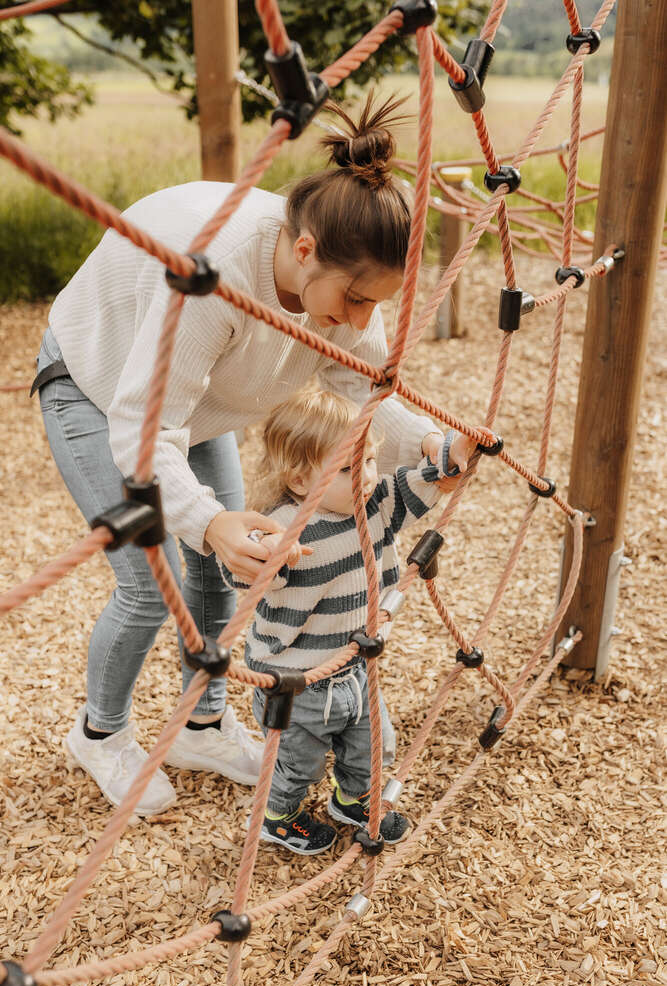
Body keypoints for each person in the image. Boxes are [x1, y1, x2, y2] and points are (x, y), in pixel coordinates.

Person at [33, 94, 470, 817]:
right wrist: (208, 520)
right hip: (95, 386)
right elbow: (144, 430)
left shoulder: (338, 275)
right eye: (355, 299)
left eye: (375, 304)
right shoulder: (216, 277)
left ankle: (200, 726)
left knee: (220, 572)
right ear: (303, 251)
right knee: (150, 585)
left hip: (192, 403)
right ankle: (100, 733)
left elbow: (363, 382)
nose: (361, 319)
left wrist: (427, 441)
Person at [219, 388, 478, 854]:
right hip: (296, 683)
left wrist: (451, 456)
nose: (367, 476)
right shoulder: (287, 527)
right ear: (300, 479)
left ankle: (352, 800)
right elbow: (244, 565)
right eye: (347, 468)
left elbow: (418, 483)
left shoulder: (373, 505)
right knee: (298, 765)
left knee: (374, 747)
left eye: (371, 460)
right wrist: (266, 553)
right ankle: (278, 817)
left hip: (355, 667)